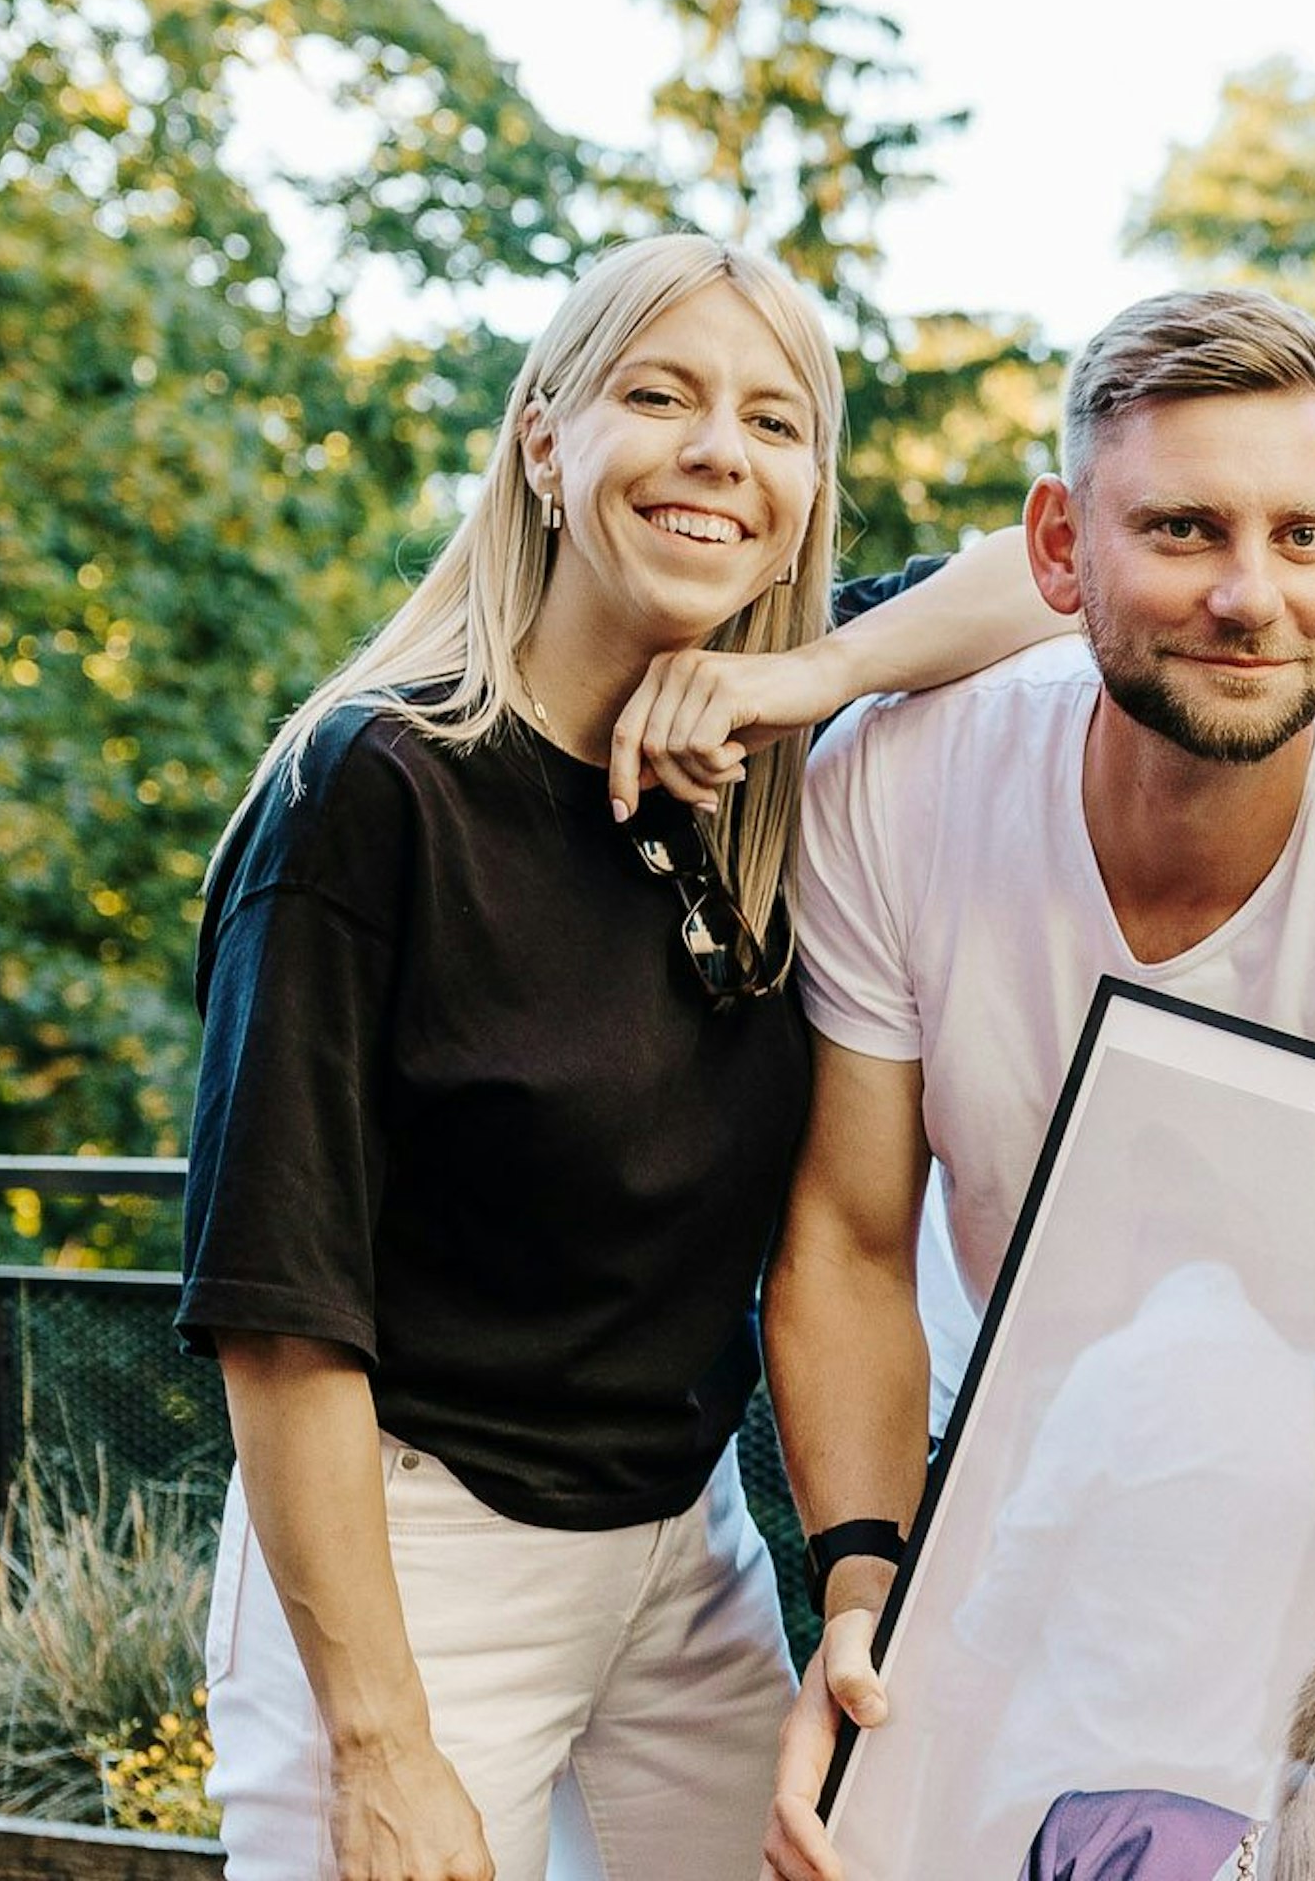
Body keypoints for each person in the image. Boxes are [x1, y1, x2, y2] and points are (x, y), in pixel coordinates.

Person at [177, 233, 1066, 1881]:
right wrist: (382, 1743)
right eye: (657, 397)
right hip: (418, 1554)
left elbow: (1055, 568)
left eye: (775, 420)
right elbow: (277, 1310)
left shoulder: (768, 745)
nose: (719, 450)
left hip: (681, 1540)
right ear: (543, 444)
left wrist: (813, 671)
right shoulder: (370, 792)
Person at [759, 288, 1315, 1881]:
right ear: (1063, 551)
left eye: (1302, 536)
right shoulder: (898, 778)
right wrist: (864, 1598)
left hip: (1312, 1562)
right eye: (1184, 530)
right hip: (971, 1480)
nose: (1248, 594)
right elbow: (852, 1239)